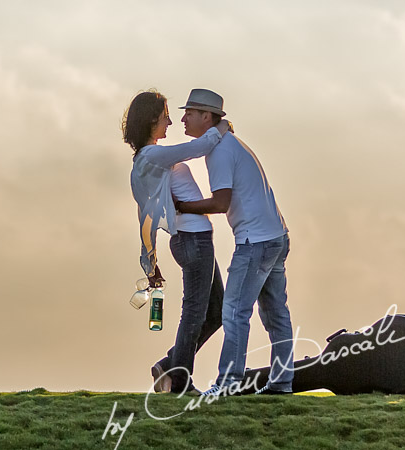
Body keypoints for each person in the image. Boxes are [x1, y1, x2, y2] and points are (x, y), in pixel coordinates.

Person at [173, 88, 294, 396]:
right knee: (276, 314)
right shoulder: (230, 144)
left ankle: (226, 385)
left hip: (255, 242)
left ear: (206, 117)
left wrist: (184, 207)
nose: (183, 118)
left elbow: (221, 202)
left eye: (189, 112)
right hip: (275, 236)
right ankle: (281, 383)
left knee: (234, 312)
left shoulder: (220, 152)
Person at [122, 90, 230, 395]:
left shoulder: (144, 164)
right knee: (194, 314)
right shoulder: (153, 156)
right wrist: (223, 126)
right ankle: (180, 382)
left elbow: (145, 217)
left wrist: (151, 263)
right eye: (166, 115)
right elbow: (200, 146)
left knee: (216, 312)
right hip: (193, 240)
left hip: (193, 240)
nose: (171, 121)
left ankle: (169, 364)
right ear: (152, 119)